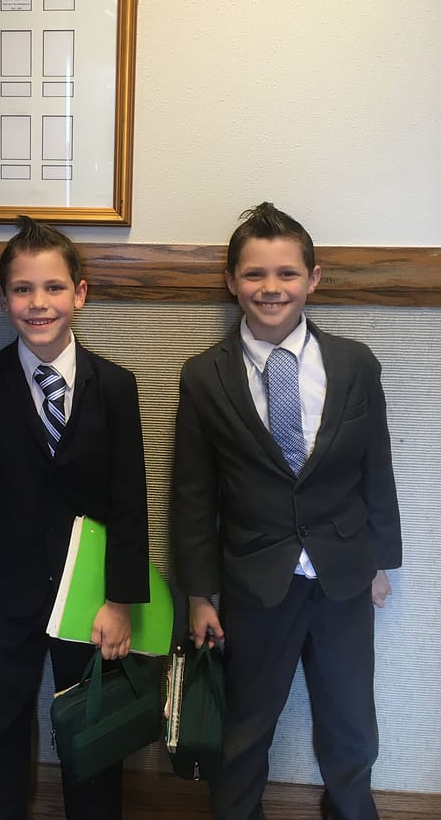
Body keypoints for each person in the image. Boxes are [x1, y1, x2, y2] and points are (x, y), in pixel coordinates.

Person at [172, 202, 402, 820]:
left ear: (313, 278)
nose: (271, 288)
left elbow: (375, 470)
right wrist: (200, 594)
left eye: (286, 274)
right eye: (254, 275)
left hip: (343, 578)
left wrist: (380, 561)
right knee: (244, 729)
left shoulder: (356, 366)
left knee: (351, 725)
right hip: (252, 583)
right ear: (231, 281)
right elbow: (193, 495)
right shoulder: (204, 377)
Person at [0, 216, 150, 820]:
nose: (39, 303)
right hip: (5, 587)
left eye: (54, 288)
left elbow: (129, 503)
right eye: (22, 289)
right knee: (1, 721)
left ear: (80, 293)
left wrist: (120, 600)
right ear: (3, 297)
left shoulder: (116, 387)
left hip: (89, 596)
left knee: (90, 731)